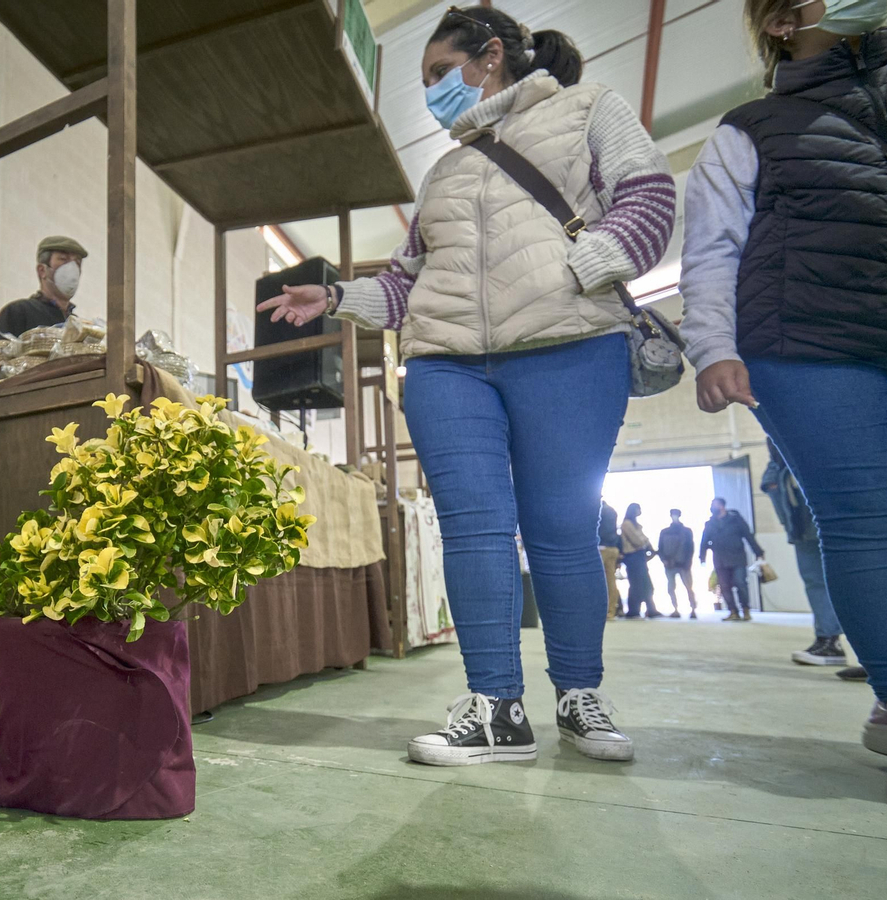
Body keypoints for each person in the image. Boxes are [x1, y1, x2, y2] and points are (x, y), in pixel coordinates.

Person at [259, 5, 675, 767]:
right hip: (447, 364)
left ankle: (579, 694)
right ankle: (495, 709)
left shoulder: (589, 110)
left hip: (569, 348)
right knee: (475, 527)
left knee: (561, 531)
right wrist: (338, 296)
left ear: (491, 55)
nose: (431, 94)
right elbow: (407, 284)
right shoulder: (446, 170)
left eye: (437, 74)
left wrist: (580, 270)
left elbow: (650, 202)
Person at [680, 0, 887, 803]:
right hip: (809, 345)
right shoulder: (753, 127)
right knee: (867, 518)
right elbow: (709, 247)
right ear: (780, 20)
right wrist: (714, 346)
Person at [762, 439, 849, 665]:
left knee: (859, 583)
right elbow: (769, 484)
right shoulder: (778, 469)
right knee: (815, 584)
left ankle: (836, 642)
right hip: (803, 531)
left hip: (828, 527)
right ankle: (827, 639)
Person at [0, 236, 87, 339]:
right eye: (63, 259)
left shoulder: (78, 326)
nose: (72, 268)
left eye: (77, 262)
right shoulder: (18, 312)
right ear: (42, 270)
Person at [698, 499, 764, 621]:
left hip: (737, 557)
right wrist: (702, 556)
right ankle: (733, 611)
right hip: (720, 559)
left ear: (722, 506)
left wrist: (758, 552)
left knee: (740, 583)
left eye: (714, 505)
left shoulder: (736, 520)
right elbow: (704, 541)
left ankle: (745, 610)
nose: (712, 507)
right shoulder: (709, 523)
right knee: (724, 586)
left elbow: (748, 536)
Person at [620, 504, 661, 618]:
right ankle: (634, 610)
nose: (640, 511)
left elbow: (643, 540)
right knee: (636, 584)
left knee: (645, 583)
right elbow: (638, 540)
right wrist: (646, 543)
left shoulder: (636, 525)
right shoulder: (627, 524)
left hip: (638, 556)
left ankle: (650, 609)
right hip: (632, 556)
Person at [656, 509, 699, 618]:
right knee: (671, 588)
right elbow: (660, 548)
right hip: (670, 564)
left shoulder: (686, 531)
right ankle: (675, 609)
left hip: (683, 564)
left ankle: (693, 608)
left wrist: (688, 562)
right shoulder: (665, 532)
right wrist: (664, 560)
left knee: (688, 587)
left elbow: (690, 548)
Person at [599, 500, 624, 620]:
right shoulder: (612, 511)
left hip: (601, 548)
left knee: (595, 580)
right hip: (613, 548)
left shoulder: (599, 510)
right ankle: (611, 612)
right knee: (611, 581)